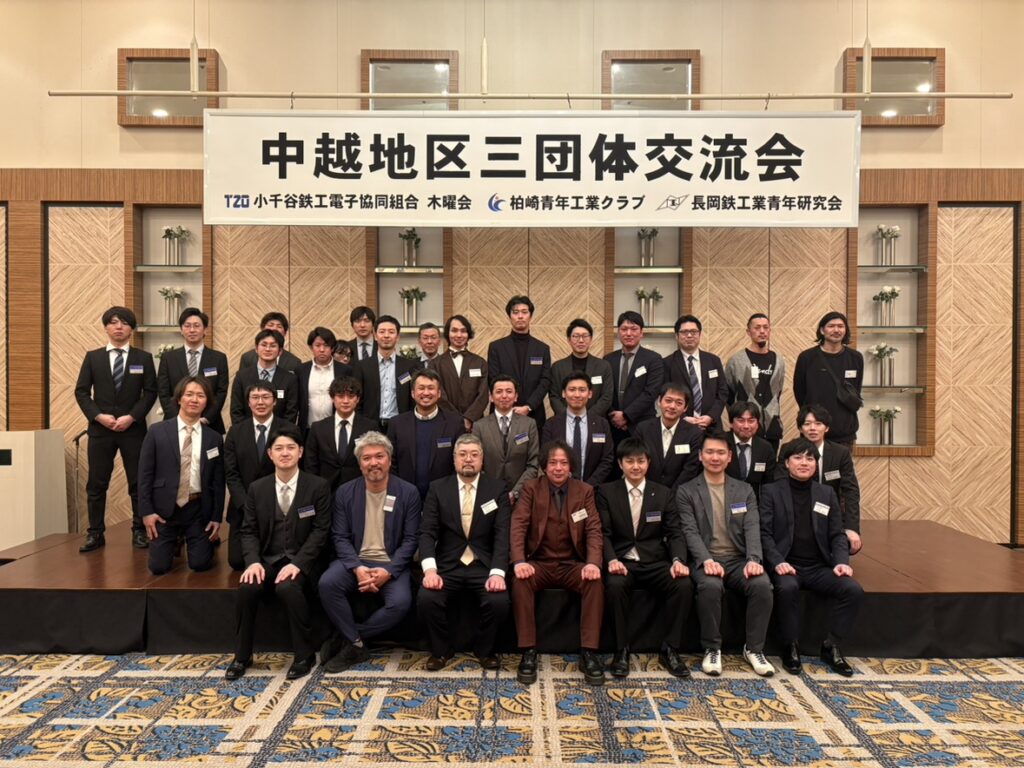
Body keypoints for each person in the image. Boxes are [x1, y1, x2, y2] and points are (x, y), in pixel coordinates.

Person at [226, 423, 332, 681]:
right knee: (247, 588)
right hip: (268, 559)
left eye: (291, 448)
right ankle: (242, 656)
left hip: (302, 562)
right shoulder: (257, 488)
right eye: (279, 448)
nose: (285, 453)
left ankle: (304, 655)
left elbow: (320, 531)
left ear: (300, 452)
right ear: (270, 454)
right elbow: (248, 530)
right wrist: (252, 562)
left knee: (288, 588)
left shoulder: (317, 486)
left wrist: (299, 563)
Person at [318, 432, 421, 673]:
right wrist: (357, 568)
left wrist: (389, 571)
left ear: (389, 460)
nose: (373, 463)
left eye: (379, 456)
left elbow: (411, 540)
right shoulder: (345, 492)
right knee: (327, 584)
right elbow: (340, 537)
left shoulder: (408, 492)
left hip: (391, 563)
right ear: (359, 464)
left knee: (400, 603)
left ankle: (350, 637)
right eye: (366, 458)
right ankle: (355, 644)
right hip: (355, 562)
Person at [759, 438, 863, 676]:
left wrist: (841, 562)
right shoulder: (770, 492)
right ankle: (790, 646)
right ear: (787, 463)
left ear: (816, 464)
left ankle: (831, 646)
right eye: (797, 458)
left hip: (818, 567)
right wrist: (778, 562)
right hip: (786, 564)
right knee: (787, 588)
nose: (804, 463)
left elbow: (837, 534)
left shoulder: (826, 493)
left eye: (810, 458)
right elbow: (764, 534)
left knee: (853, 590)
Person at [676, 431, 775, 677]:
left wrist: (753, 560)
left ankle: (754, 649)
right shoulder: (686, 491)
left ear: (730, 457)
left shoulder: (744, 490)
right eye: (709, 452)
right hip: (706, 558)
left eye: (721, 452)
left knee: (762, 584)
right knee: (710, 586)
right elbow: (689, 531)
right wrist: (706, 560)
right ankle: (712, 648)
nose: (715, 457)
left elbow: (752, 527)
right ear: (700, 456)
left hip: (738, 559)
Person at [510, 440, 605, 686]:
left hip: (572, 564)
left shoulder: (584, 490)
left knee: (595, 583)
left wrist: (593, 563)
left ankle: (589, 652)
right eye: (553, 463)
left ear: (571, 466)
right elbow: (518, 525)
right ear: (544, 466)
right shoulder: (531, 489)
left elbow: (594, 530)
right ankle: (528, 651)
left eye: (563, 463)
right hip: (539, 563)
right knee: (520, 582)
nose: (558, 468)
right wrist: (519, 561)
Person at [596, 438, 692, 678]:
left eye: (640, 461)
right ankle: (621, 650)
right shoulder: (606, 492)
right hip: (622, 561)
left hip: (654, 561)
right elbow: (603, 533)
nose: (635, 466)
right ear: (620, 464)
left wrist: (678, 560)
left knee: (683, 584)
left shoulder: (663, 493)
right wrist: (611, 560)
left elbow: (675, 533)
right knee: (615, 586)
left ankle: (670, 649)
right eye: (629, 461)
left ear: (648, 463)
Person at [417, 433, 512, 670]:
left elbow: (502, 534)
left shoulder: (497, 489)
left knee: (499, 602)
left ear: (482, 459)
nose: (468, 459)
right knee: (427, 599)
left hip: (483, 564)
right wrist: (430, 570)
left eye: (474, 454)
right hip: (448, 565)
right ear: (454, 459)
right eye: (462, 454)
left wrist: (497, 573)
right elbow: (427, 532)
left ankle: (484, 650)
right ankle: (441, 650)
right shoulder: (438, 488)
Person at [74, 306, 158, 552]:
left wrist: (132, 417)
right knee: (96, 484)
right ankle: (95, 533)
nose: (118, 327)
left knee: (138, 482)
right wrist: (98, 416)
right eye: (113, 322)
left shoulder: (143, 358)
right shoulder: (93, 357)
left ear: (132, 328)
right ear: (106, 327)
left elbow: (150, 393)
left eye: (124, 323)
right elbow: (81, 392)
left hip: (133, 430)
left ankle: (139, 531)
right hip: (101, 431)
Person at [138, 376, 225, 575]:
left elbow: (218, 481)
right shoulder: (157, 431)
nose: (194, 399)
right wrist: (147, 512)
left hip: (197, 509)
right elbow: (144, 476)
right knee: (158, 567)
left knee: (200, 564)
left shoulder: (213, 438)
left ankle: (192, 542)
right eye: (189, 394)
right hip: (164, 511)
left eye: (200, 396)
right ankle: (174, 542)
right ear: (179, 399)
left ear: (207, 402)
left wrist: (216, 517)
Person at [776, 405, 862, 555]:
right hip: (796, 515)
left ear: (826, 428)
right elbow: (780, 485)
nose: (812, 428)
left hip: (828, 515)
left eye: (818, 423)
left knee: (847, 546)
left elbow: (850, 491)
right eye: (807, 424)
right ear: (800, 428)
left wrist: (851, 527)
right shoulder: (788, 449)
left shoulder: (840, 453)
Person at [386, 369, 465, 499]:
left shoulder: (455, 423)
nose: (426, 393)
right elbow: (391, 462)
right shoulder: (397, 424)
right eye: (421, 388)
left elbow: (459, 460)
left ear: (439, 393)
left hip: (443, 497)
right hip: (405, 496)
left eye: (431, 388)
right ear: (413, 393)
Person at [223, 383, 278, 570]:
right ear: (248, 402)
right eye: (255, 397)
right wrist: (247, 505)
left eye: (265, 397)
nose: (260, 402)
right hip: (243, 507)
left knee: (274, 559)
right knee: (237, 562)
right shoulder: (235, 431)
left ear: (274, 401)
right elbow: (231, 473)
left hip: (276, 505)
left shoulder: (286, 429)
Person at [793, 312, 864, 446]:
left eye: (840, 326)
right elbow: (800, 392)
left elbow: (856, 390)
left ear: (846, 330)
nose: (836, 330)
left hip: (845, 432)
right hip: (813, 432)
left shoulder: (855, 358)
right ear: (822, 330)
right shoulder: (807, 358)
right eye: (831, 326)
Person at [156, 307, 229, 434]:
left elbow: (221, 392)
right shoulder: (168, 358)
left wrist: (207, 418)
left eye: (196, 326)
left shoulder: (219, 358)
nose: (192, 330)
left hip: (209, 424)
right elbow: (163, 392)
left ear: (205, 330)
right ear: (181, 329)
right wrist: (179, 419)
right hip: (175, 423)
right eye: (187, 326)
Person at [487, 295, 551, 430]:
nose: (520, 316)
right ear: (509, 316)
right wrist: (508, 403)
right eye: (515, 312)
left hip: (533, 413)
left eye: (524, 312)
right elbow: (493, 379)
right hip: (503, 411)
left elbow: (545, 381)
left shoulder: (542, 349)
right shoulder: (496, 347)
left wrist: (529, 406)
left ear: (530, 316)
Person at [472, 376, 539, 503]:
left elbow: (533, 465)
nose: (504, 396)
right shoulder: (479, 426)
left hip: (522, 497)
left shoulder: (529, 424)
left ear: (516, 396)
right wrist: (492, 492)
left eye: (509, 391)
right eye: (499, 392)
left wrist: (515, 492)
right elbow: (477, 465)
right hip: (489, 496)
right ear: (491, 397)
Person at [725, 313, 786, 452]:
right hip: (745, 429)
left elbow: (778, 391)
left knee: (769, 464)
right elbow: (728, 394)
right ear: (748, 331)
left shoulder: (779, 360)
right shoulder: (736, 361)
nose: (762, 331)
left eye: (765, 327)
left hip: (772, 428)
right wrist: (739, 419)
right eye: (757, 328)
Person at [541, 372, 614, 486]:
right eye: (572, 389)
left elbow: (607, 460)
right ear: (564, 393)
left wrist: (588, 487)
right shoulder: (551, 424)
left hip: (593, 489)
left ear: (590, 394)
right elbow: (545, 458)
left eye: (582, 390)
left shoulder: (602, 424)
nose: (577, 395)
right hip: (558, 488)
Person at [304, 376, 376, 491]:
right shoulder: (318, 428)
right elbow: (310, 464)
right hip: (325, 490)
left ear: (357, 399)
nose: (345, 401)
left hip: (359, 489)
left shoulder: (370, 427)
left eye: (351, 396)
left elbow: (374, 461)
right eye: (341, 396)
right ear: (332, 398)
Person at [605, 311, 664, 446]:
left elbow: (651, 392)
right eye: (624, 329)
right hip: (612, 425)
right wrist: (614, 415)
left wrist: (626, 416)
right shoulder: (608, 359)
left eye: (634, 329)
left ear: (641, 333)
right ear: (618, 332)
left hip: (641, 424)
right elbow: (605, 391)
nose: (628, 333)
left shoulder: (653, 359)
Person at [353, 314, 418, 431]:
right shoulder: (362, 366)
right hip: (370, 426)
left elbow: (413, 398)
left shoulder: (409, 366)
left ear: (397, 337)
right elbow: (357, 399)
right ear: (375, 336)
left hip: (401, 425)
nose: (386, 336)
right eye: (382, 332)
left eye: (391, 332)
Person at [663, 314, 728, 430]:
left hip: (711, 426)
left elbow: (722, 391)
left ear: (700, 334)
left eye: (693, 332)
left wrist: (711, 416)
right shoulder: (667, 363)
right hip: (680, 425)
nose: (689, 335)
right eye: (684, 332)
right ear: (677, 336)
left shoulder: (713, 360)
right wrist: (683, 417)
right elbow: (664, 395)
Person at [634, 382, 703, 490]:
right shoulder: (643, 429)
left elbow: (691, 468)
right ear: (659, 401)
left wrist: (671, 494)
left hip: (679, 493)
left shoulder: (694, 433)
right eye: (668, 400)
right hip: (646, 490)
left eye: (679, 403)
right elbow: (637, 461)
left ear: (685, 408)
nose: (672, 406)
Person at [428, 314, 489, 431]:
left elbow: (483, 395)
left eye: (463, 331)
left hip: (475, 424)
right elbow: (438, 394)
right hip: (445, 422)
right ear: (448, 333)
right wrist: (456, 419)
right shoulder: (435, 364)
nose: (459, 335)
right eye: (454, 330)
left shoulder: (480, 362)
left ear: (468, 334)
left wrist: (469, 418)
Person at [230, 329, 298, 425]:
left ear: (280, 351)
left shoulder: (290, 379)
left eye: (273, 346)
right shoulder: (241, 376)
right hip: (247, 431)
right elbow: (236, 410)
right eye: (264, 345)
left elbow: (291, 413)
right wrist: (246, 431)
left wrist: (278, 433)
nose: (268, 349)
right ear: (256, 348)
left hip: (279, 432)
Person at [549, 319, 613, 418]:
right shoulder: (557, 367)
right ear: (569, 340)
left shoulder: (603, 366)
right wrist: (569, 417)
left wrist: (587, 417)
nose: (581, 340)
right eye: (576, 336)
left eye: (585, 336)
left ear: (591, 339)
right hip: (564, 421)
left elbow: (606, 397)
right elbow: (554, 397)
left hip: (595, 420)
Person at [296, 326, 351, 432]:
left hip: (336, 429)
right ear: (311, 347)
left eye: (326, 346)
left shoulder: (345, 370)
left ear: (332, 348)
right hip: (307, 429)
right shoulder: (301, 370)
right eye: (317, 345)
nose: (322, 350)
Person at [725, 401, 778, 502]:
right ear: (731, 423)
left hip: (753, 503)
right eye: (741, 420)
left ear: (757, 424)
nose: (746, 426)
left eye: (751, 421)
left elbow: (769, 483)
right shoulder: (720, 443)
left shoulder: (765, 448)